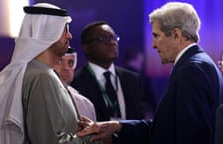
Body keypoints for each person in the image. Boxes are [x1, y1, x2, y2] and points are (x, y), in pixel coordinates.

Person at [77, 2, 223, 144]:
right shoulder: (198, 63)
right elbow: (166, 128)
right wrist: (119, 127)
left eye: (156, 36)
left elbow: (191, 137)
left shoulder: (191, 70)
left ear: (176, 35)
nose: (153, 45)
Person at [0, 3, 102, 144]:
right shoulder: (42, 77)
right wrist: (95, 136)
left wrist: (81, 131)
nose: (69, 35)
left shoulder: (41, 72)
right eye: (64, 29)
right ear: (47, 32)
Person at [71, 21, 151, 121]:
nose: (112, 42)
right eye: (104, 38)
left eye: (114, 38)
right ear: (87, 47)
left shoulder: (133, 79)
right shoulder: (74, 82)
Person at [54, 47, 97, 121]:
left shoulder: (86, 105)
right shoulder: (37, 98)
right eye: (59, 61)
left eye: (70, 63)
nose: (66, 68)